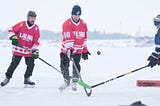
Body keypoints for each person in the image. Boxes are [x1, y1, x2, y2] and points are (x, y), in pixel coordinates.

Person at [1, 11, 40, 87]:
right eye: (31, 17)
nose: (33, 19)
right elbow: (11, 30)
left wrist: (35, 50)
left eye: (34, 18)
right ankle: (7, 78)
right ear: (28, 17)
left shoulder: (36, 28)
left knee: (31, 64)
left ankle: (27, 78)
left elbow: (36, 41)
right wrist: (13, 37)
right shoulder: (22, 24)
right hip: (18, 49)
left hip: (28, 51)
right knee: (14, 64)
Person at [59, 5, 90, 91]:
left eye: (78, 15)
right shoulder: (66, 23)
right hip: (66, 50)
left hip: (78, 50)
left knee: (76, 65)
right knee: (64, 65)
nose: (77, 17)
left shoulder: (83, 24)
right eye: (75, 15)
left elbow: (84, 38)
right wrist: (69, 50)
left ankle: (74, 82)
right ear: (72, 14)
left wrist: (85, 50)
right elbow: (69, 38)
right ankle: (66, 81)